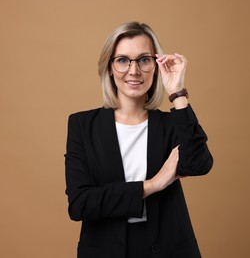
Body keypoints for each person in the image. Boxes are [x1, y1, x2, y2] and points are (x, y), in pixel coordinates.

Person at [65, 21, 213, 258]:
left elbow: (199, 163)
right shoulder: (83, 126)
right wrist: (153, 184)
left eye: (144, 60)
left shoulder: (169, 125)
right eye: (123, 60)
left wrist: (177, 92)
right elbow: (81, 203)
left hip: (169, 249)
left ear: (155, 66)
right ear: (109, 67)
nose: (134, 71)